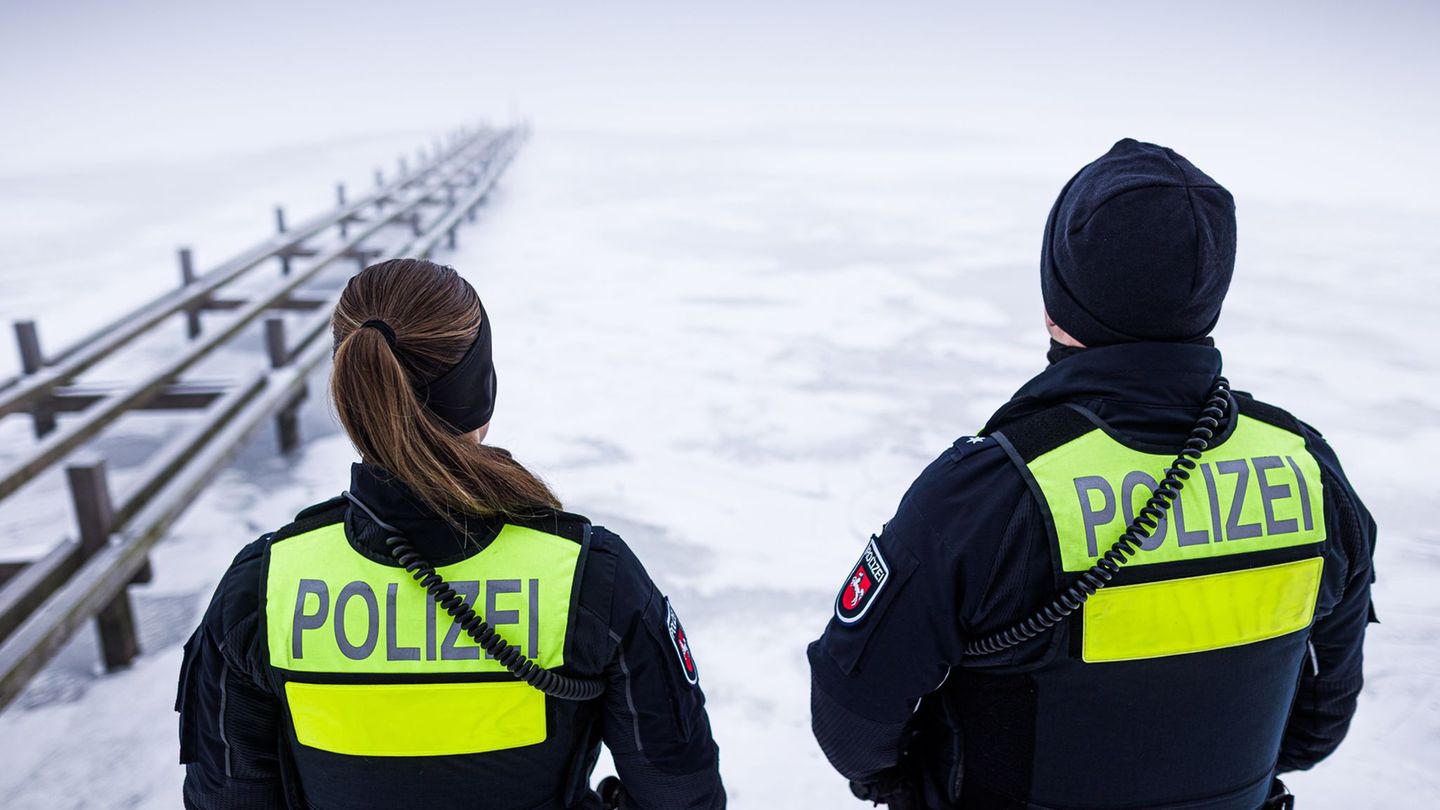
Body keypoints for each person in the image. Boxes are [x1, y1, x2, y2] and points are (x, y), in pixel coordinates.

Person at [808, 139, 1376, 809]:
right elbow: (1315, 726)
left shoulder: (989, 493)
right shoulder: (1309, 471)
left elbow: (853, 723)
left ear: (1059, 298)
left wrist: (924, 780)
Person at [176, 258, 725, 809]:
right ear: (481, 390)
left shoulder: (264, 587)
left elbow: (227, 798)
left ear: (352, 391)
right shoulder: (592, 576)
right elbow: (681, 793)